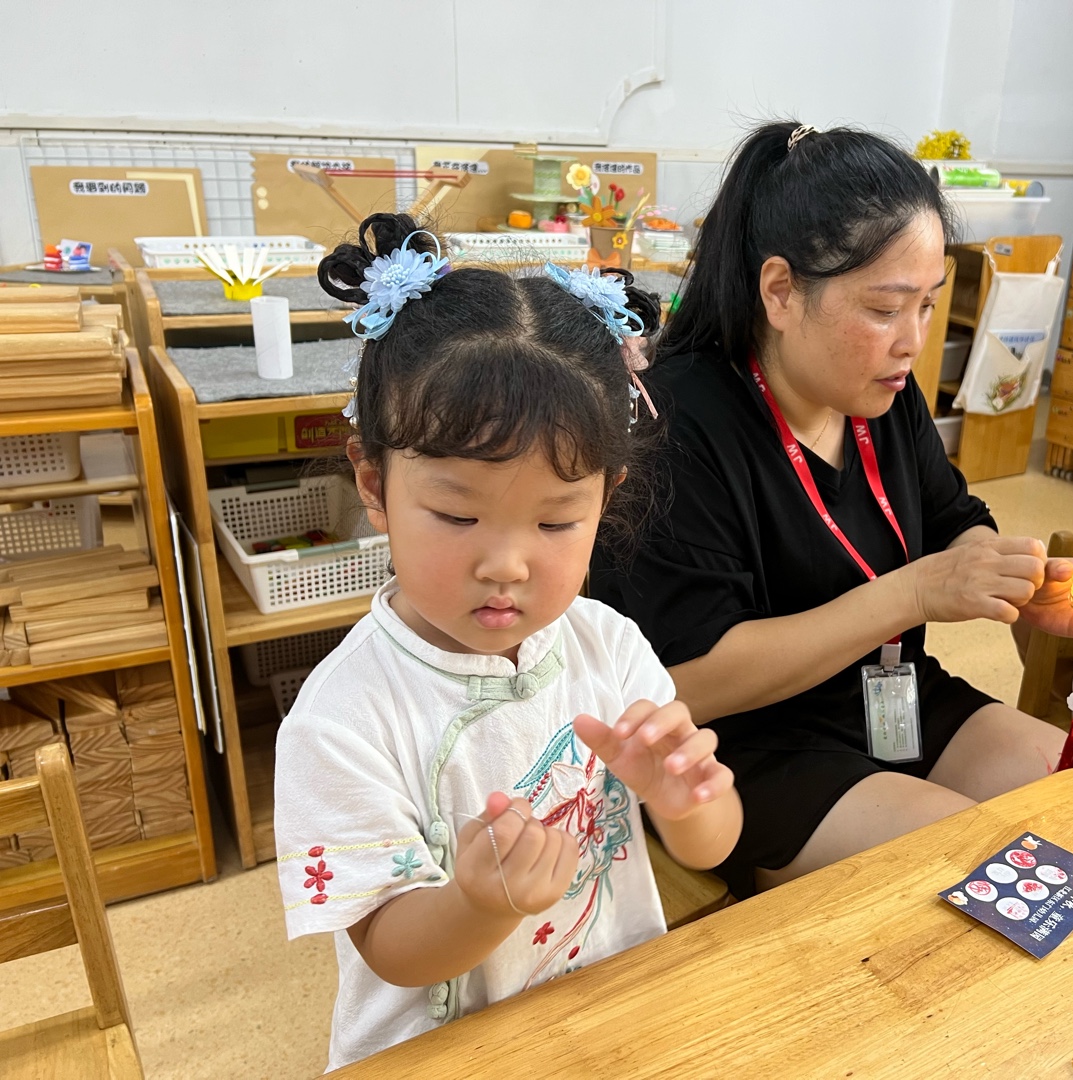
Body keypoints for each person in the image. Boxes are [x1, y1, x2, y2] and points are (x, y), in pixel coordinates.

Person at [590, 122, 1073, 900]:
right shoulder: (677, 423)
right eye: (887, 308)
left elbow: (954, 518)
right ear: (780, 291)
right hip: (738, 748)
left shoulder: (880, 393)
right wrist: (914, 592)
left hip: (887, 693)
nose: (913, 342)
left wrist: (1028, 587)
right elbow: (686, 682)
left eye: (927, 306)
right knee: (970, 869)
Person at [273, 214, 741, 1070]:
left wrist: (688, 802)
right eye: (456, 515)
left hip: (603, 1028)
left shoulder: (608, 645)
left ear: (606, 498)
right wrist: (480, 904)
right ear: (373, 484)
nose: (506, 565)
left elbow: (714, 843)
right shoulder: (342, 717)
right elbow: (389, 948)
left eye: (557, 522)